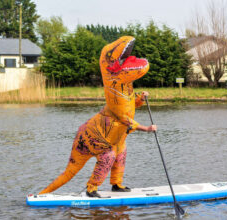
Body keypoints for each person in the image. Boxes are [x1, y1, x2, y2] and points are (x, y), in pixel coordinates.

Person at [39, 36, 156, 197]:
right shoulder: (114, 92)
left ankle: (116, 184)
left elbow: (130, 105)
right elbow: (125, 119)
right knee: (109, 155)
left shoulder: (124, 88)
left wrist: (140, 99)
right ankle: (91, 188)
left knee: (121, 151)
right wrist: (147, 128)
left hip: (114, 136)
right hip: (94, 137)